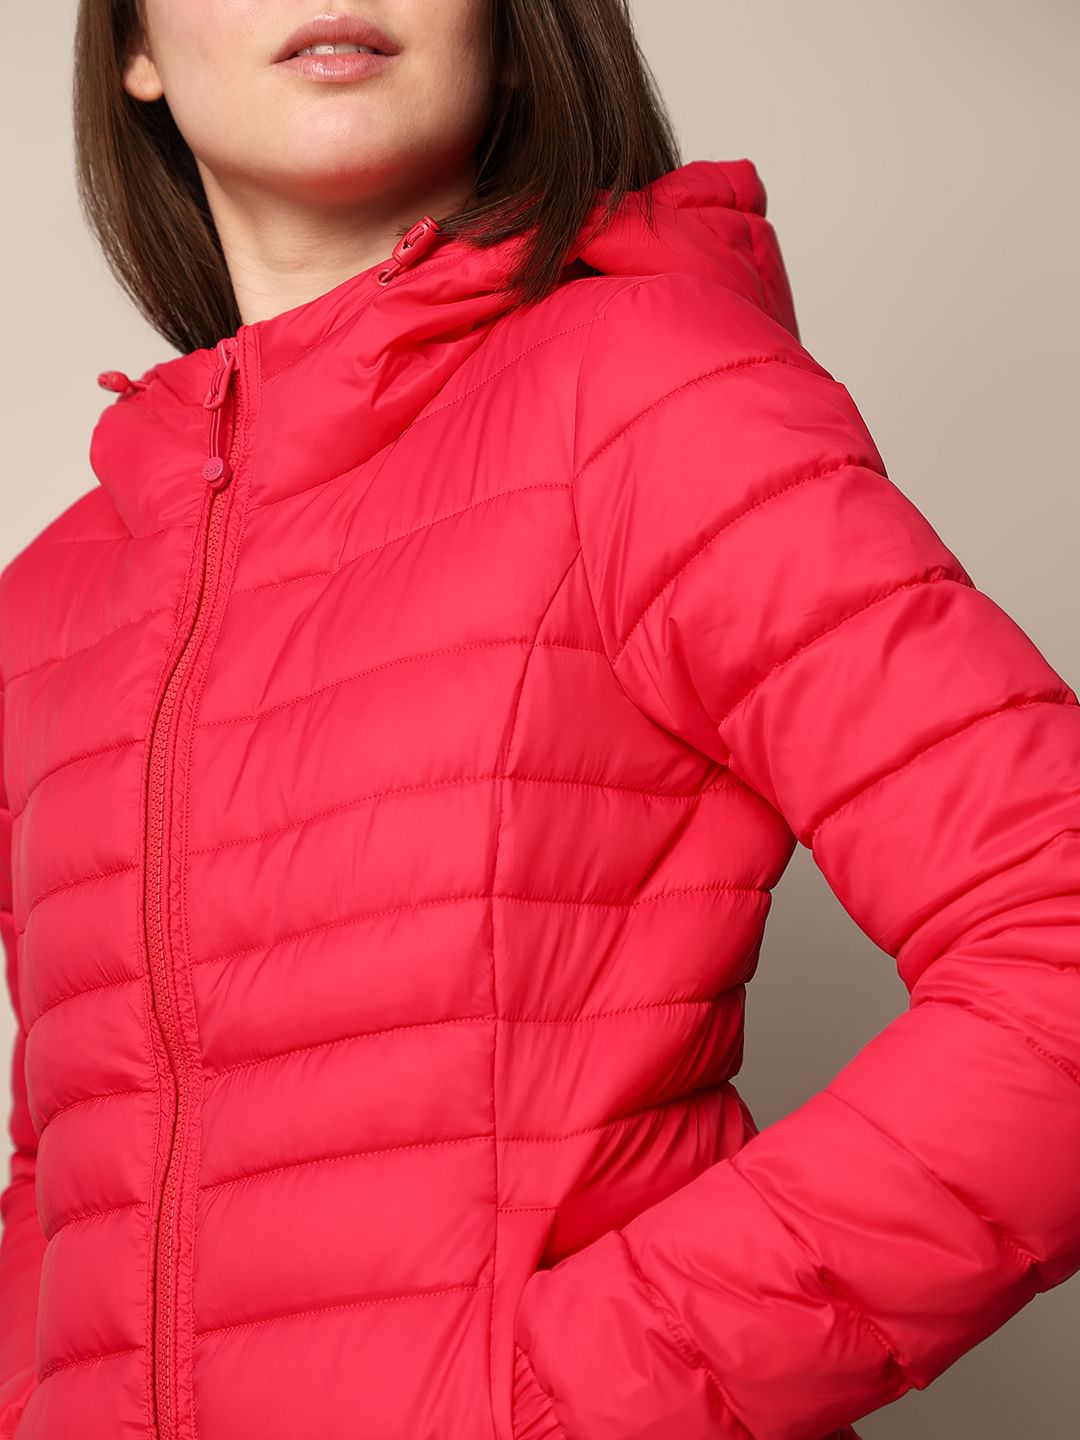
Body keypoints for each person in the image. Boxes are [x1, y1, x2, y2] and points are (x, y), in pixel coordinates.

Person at [1, 2, 1078, 1438]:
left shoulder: (647, 401)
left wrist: (566, 1400)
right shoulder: (52, 603)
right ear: (134, 48)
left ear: (513, 30)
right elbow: (74, 1168)